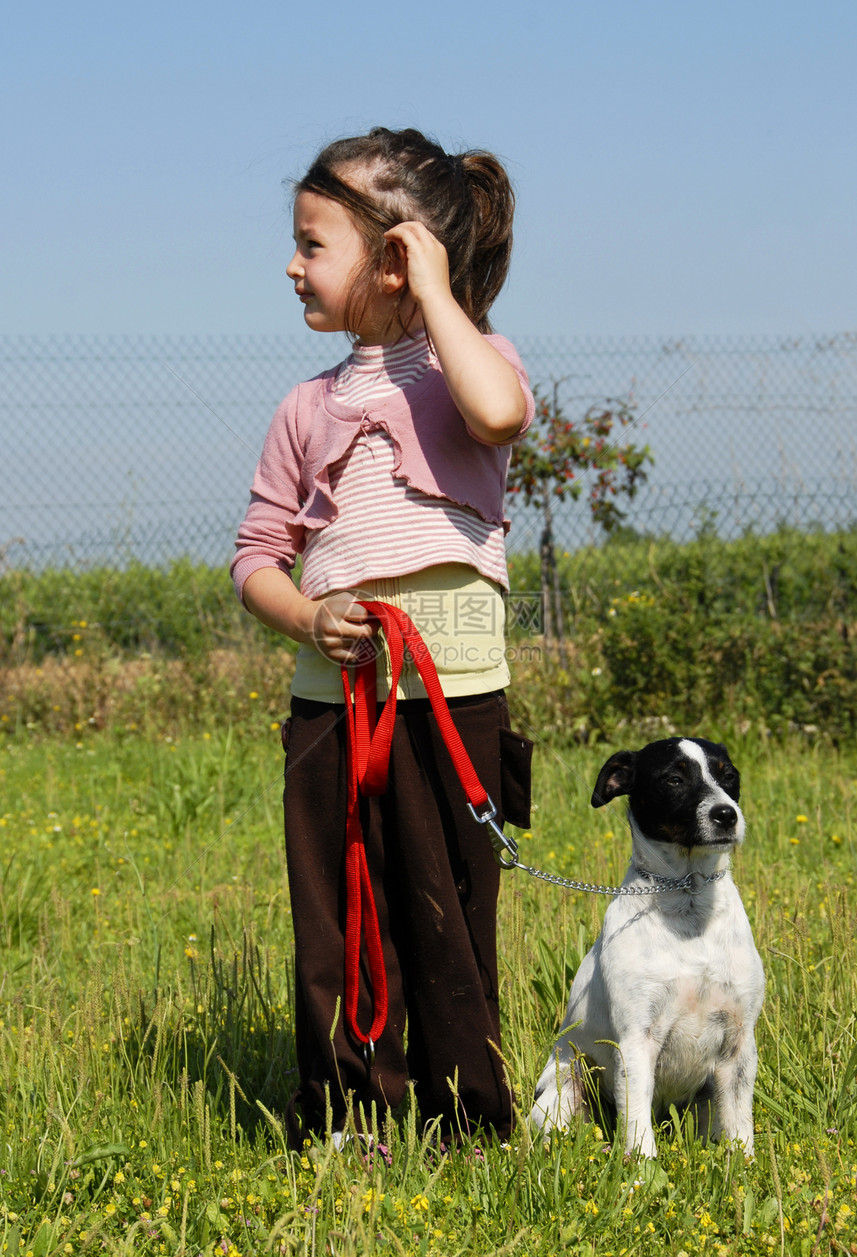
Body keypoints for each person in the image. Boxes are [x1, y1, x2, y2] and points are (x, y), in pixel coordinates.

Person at [231, 126, 534, 1149]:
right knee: (337, 920)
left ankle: (466, 1123)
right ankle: (348, 1117)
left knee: (445, 913)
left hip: (452, 704)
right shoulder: (304, 405)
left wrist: (438, 296)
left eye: (313, 243)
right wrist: (307, 615)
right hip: (331, 704)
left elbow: (498, 416)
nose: (290, 264)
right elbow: (254, 559)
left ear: (397, 256)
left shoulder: (470, 364)